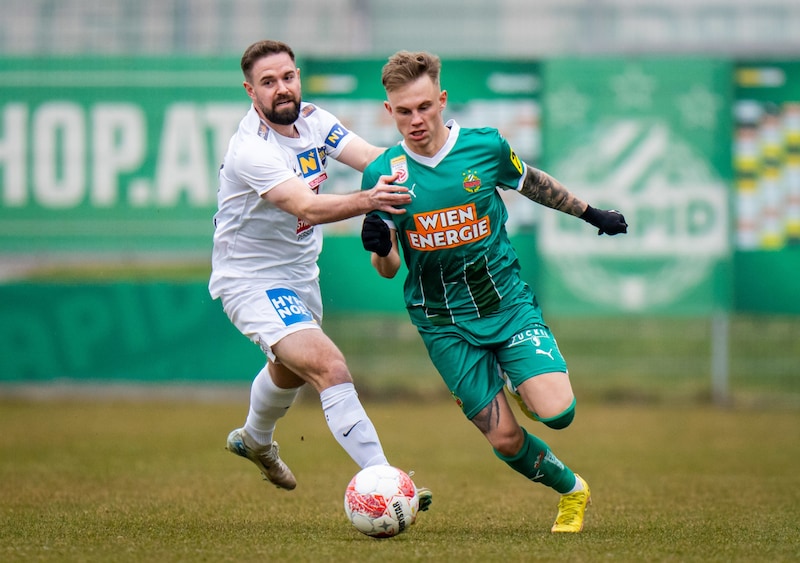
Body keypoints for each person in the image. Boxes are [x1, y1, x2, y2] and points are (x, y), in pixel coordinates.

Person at [360, 51, 628, 533]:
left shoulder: (484, 148)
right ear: (389, 112)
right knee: (504, 440)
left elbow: (533, 183)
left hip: (505, 304)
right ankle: (572, 491)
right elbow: (388, 269)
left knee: (559, 414)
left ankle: (519, 379)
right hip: (441, 322)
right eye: (404, 111)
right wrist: (380, 246)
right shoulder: (384, 173)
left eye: (424, 107)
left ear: (441, 100)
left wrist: (593, 214)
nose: (416, 120)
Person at [209, 39, 431, 510]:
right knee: (329, 367)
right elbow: (305, 204)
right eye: (268, 82)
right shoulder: (250, 148)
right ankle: (385, 480)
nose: (282, 88)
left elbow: (373, 158)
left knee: (289, 372)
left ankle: (254, 439)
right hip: (249, 278)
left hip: (299, 275)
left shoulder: (314, 120)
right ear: (251, 91)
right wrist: (369, 200)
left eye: (287, 76)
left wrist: (432, 164)